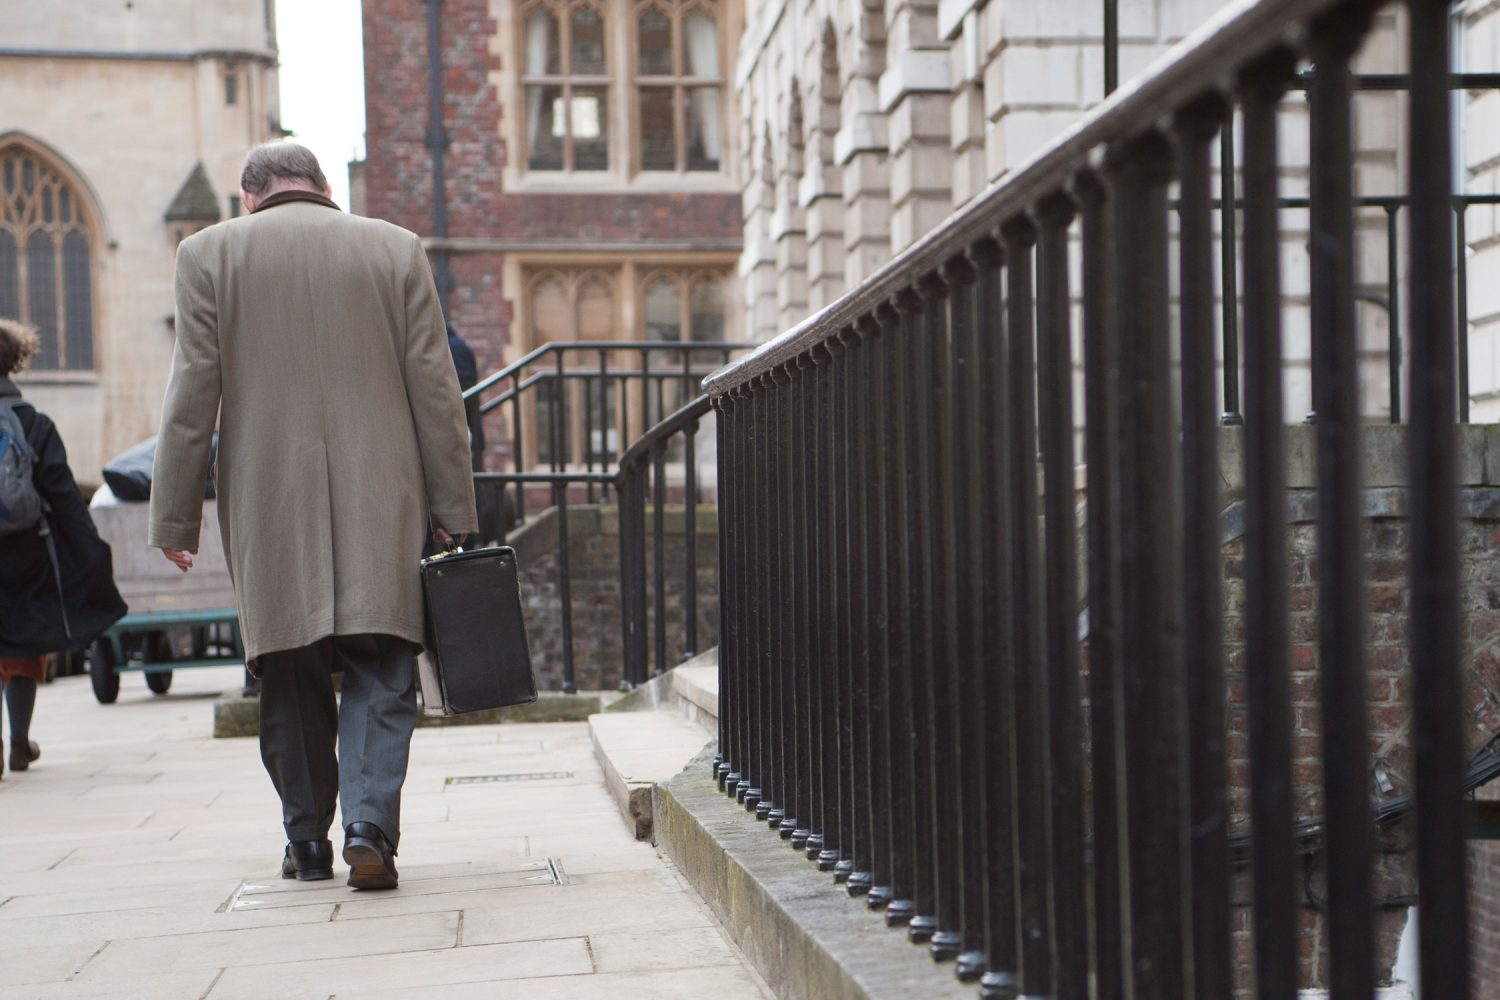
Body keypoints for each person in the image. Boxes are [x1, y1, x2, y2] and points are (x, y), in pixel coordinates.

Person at [148, 142, 476, 889]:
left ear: (247, 198)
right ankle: (368, 824)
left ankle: (308, 843)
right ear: (327, 188)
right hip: (381, 494)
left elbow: (192, 392)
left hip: (268, 500)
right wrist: (454, 505)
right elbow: (436, 388)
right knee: (383, 663)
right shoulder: (394, 248)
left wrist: (174, 518)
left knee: (288, 667)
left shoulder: (208, 255)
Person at [0, 319, 126, 778]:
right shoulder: (36, 425)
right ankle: (18, 742)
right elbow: (65, 498)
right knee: (24, 644)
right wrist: (91, 550)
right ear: (15, 361)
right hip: (27, 554)